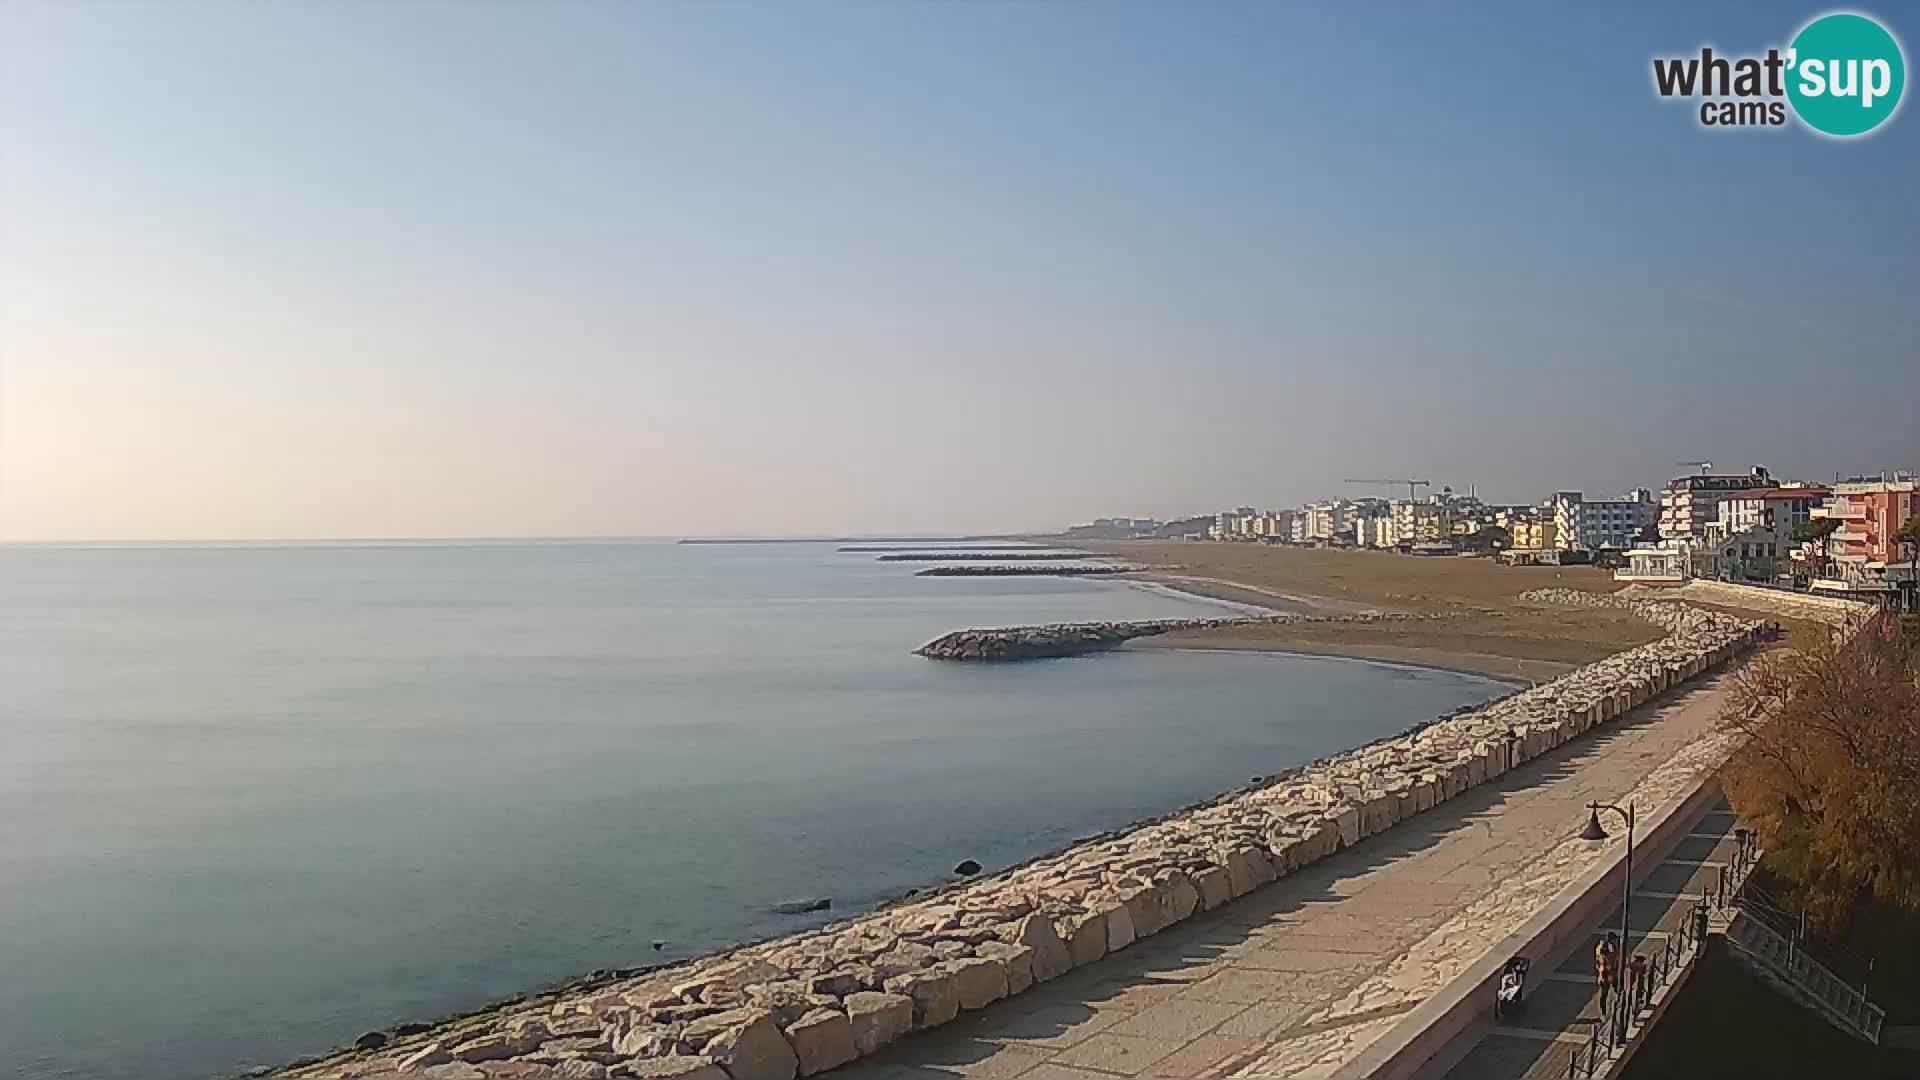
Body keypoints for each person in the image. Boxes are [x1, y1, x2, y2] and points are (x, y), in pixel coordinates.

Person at [1595, 932, 1619, 1014]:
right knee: (1604, 994)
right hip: (1606, 974)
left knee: (1615, 990)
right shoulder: (1606, 951)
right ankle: (1604, 1013)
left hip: (1608, 974)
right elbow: (1610, 959)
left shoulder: (1603, 949)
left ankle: (1607, 1011)